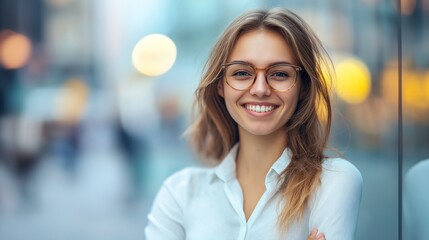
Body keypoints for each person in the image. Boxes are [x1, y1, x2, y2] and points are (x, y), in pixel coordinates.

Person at [145, 7, 362, 240]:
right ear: (221, 85)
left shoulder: (333, 182)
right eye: (242, 73)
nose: (260, 89)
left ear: (303, 87)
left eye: (279, 74)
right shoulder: (179, 193)